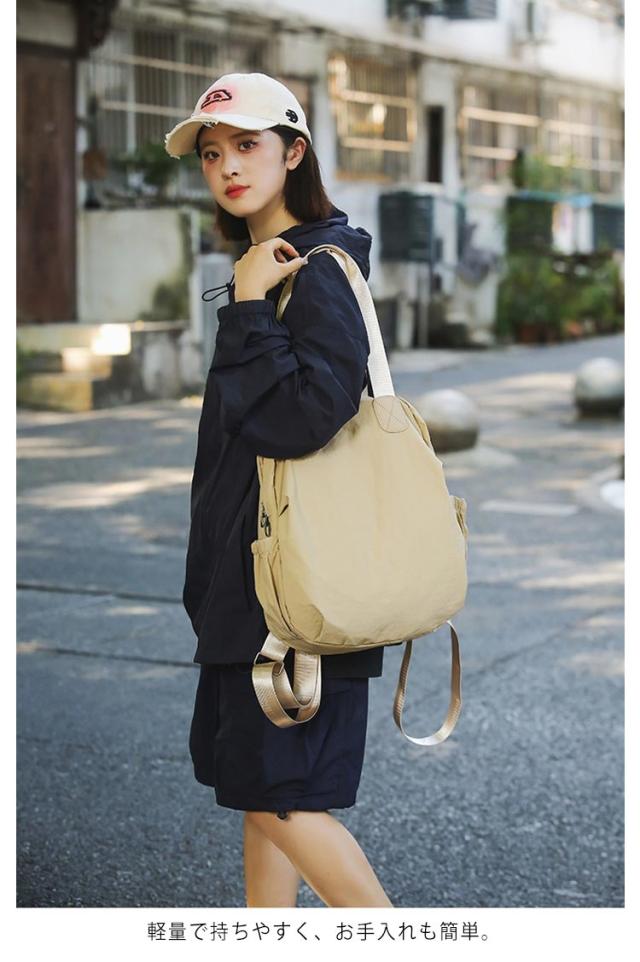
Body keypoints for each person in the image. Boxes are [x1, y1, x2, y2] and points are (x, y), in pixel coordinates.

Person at [164, 72, 393, 909]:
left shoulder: (319, 268)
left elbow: (302, 419)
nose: (226, 166)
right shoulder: (267, 265)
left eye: (247, 145)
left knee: (277, 793)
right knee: (259, 792)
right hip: (252, 579)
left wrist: (252, 308)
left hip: (291, 589)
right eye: (211, 152)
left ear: (294, 152)